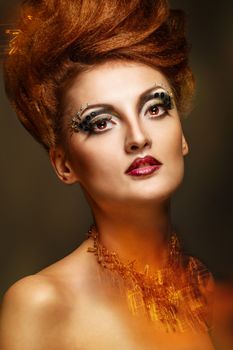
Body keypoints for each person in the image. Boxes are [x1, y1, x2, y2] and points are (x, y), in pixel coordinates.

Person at [0, 0, 216, 349]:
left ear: (183, 137)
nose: (138, 137)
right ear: (64, 165)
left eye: (155, 108)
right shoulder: (42, 304)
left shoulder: (202, 289)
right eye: (101, 123)